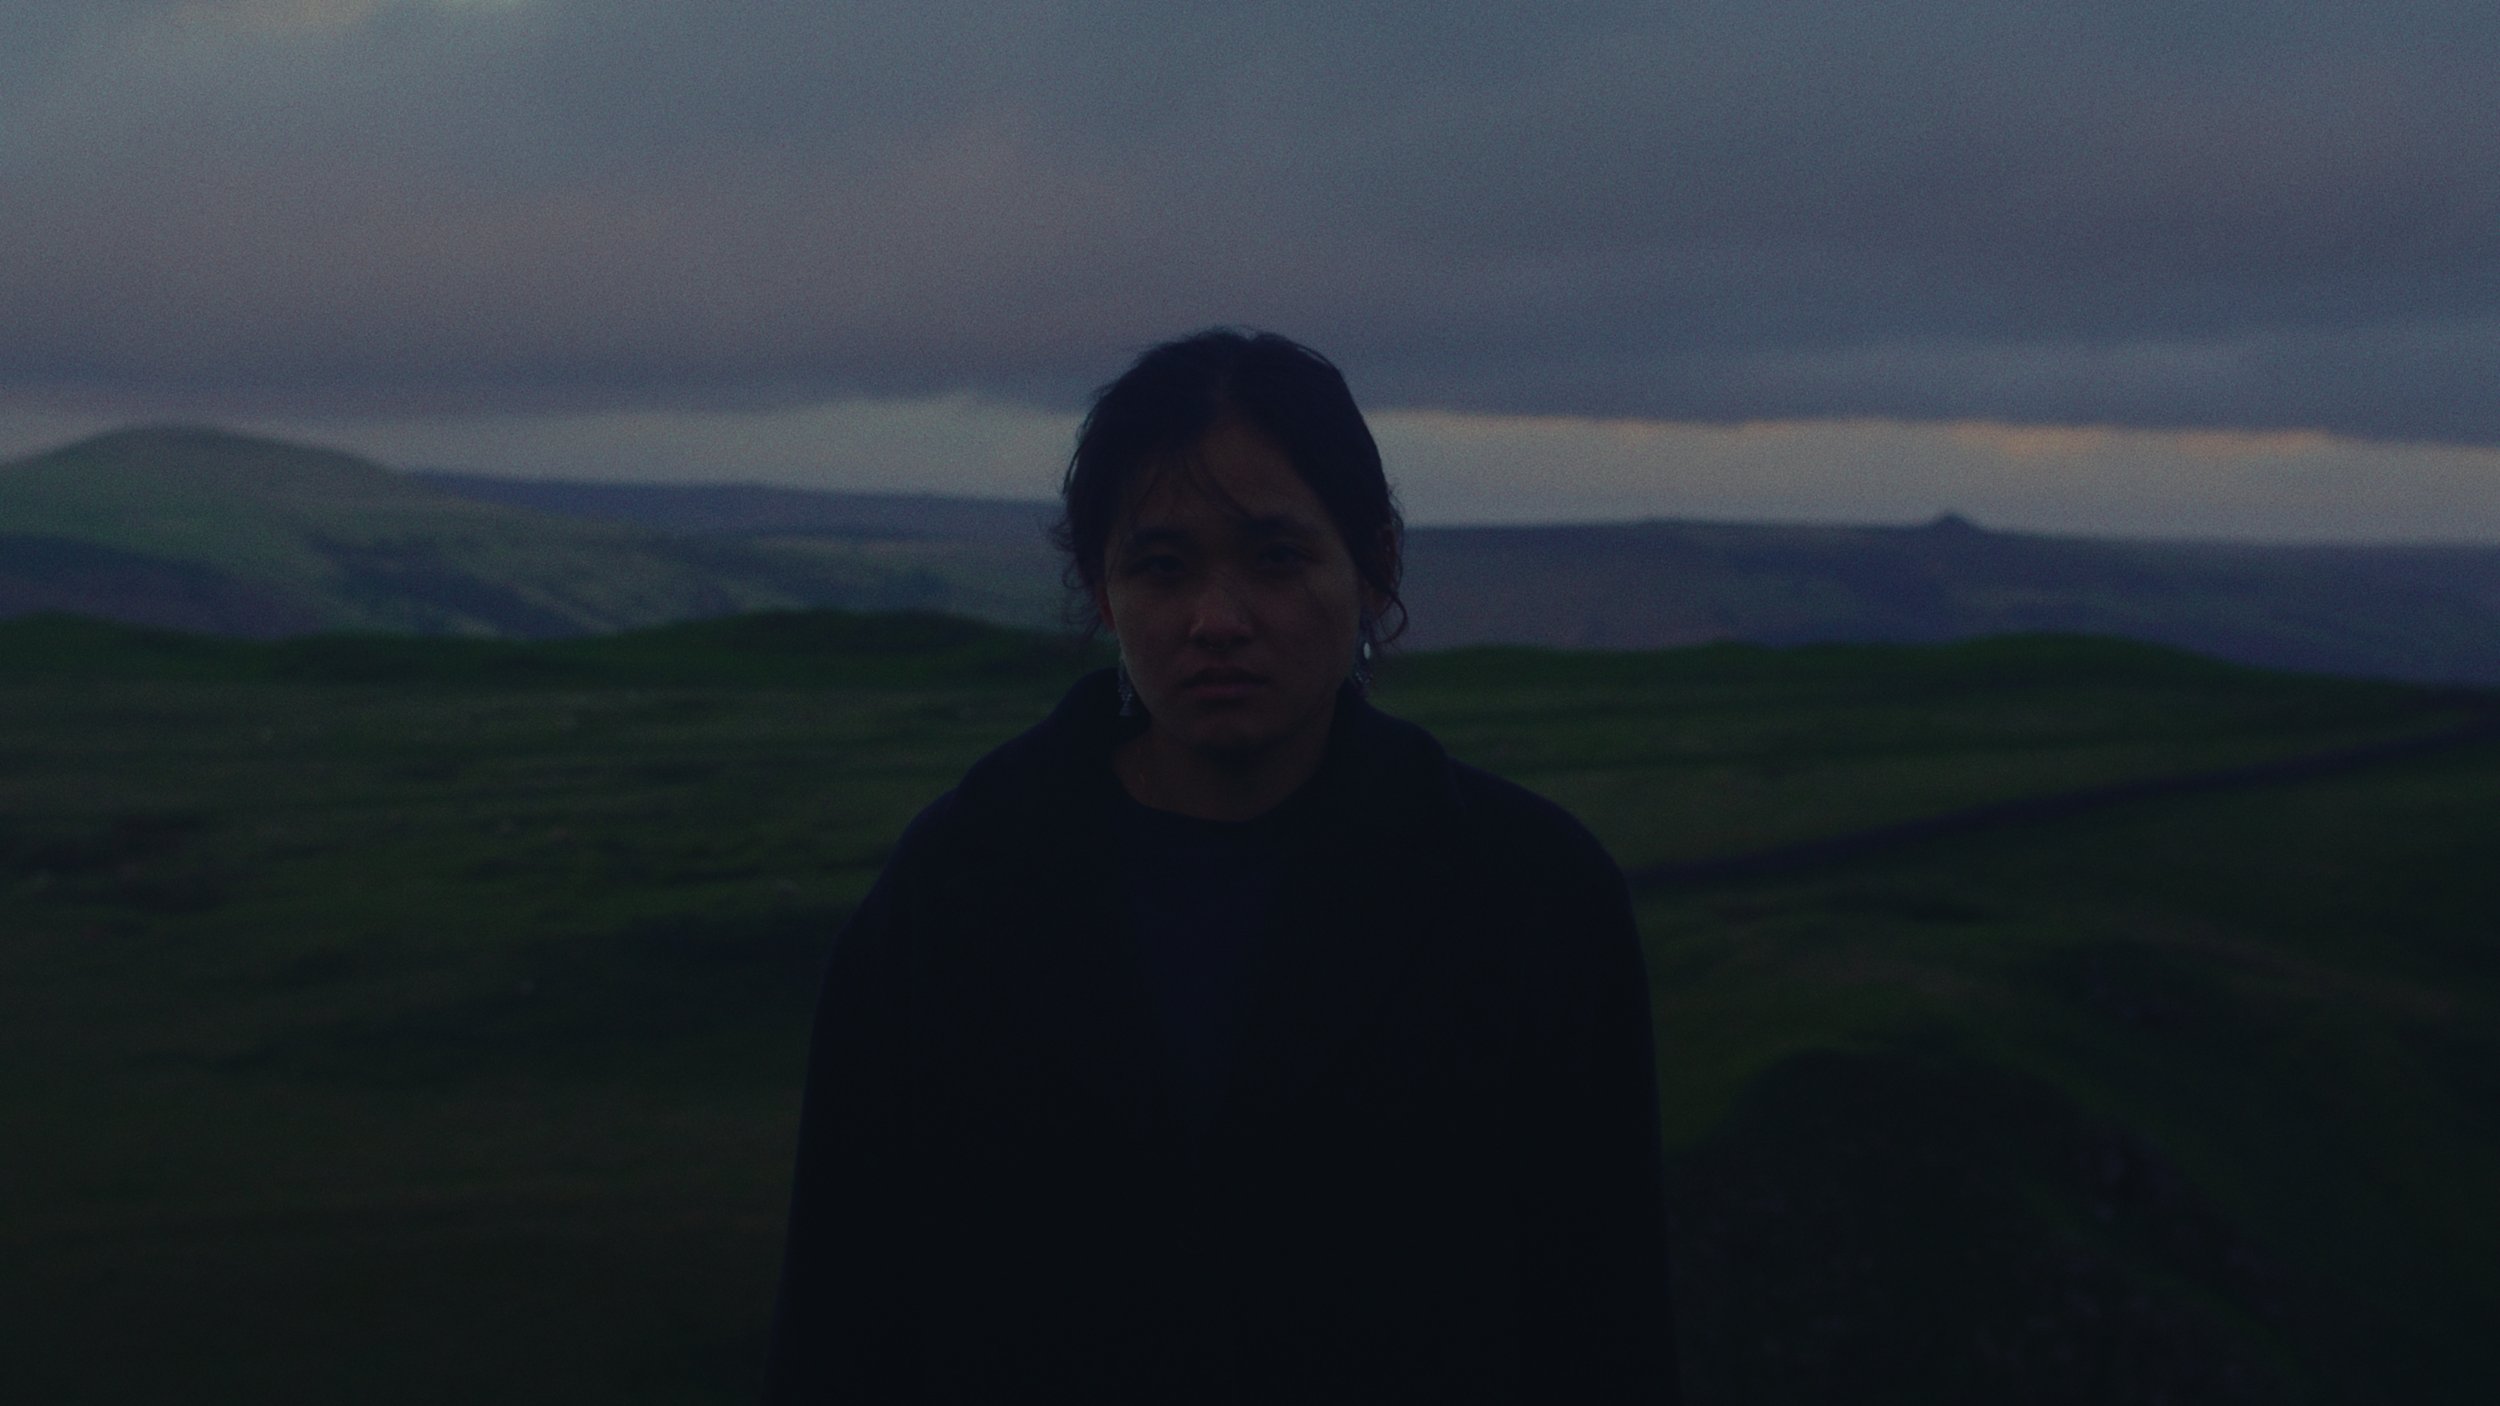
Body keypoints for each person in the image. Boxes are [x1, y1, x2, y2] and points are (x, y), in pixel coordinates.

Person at [765, 329, 1678, 1403]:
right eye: (1162, 565)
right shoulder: (956, 889)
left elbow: (1605, 1322)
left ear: (1372, 565)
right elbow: (846, 1305)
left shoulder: (1532, 898)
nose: (1216, 619)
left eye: (1274, 558)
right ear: (1102, 590)